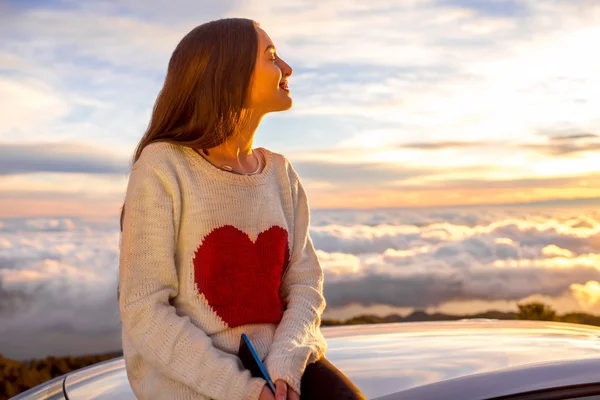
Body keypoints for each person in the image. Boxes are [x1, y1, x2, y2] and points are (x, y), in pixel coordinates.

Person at [118, 18, 366, 400]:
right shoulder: (163, 167)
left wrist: (285, 365)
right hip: (198, 384)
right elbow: (144, 309)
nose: (287, 68)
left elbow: (304, 284)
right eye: (271, 57)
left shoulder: (280, 173)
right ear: (228, 73)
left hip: (285, 372)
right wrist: (244, 391)